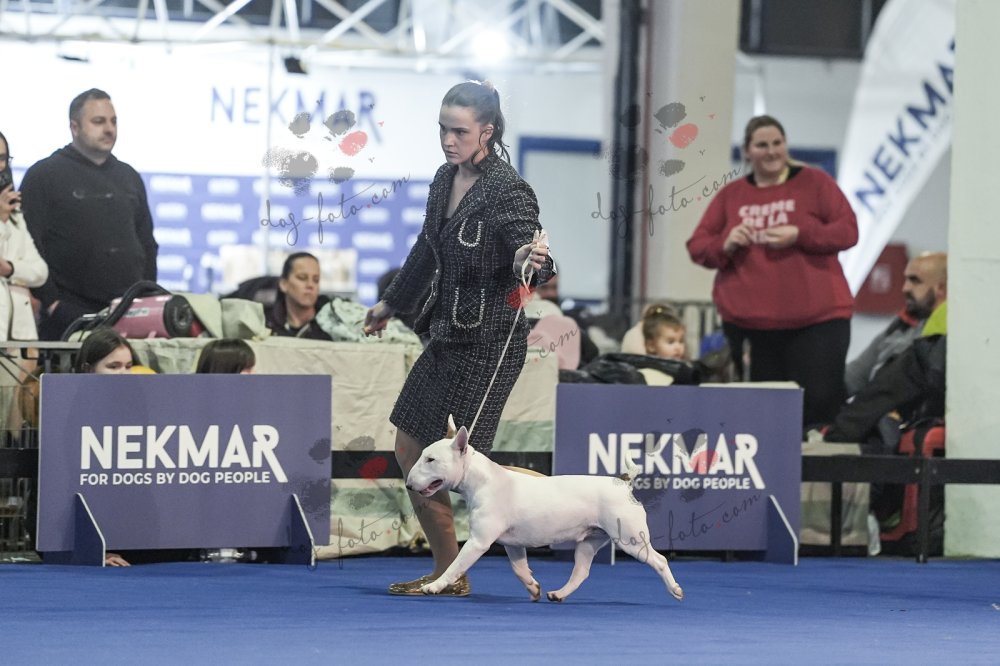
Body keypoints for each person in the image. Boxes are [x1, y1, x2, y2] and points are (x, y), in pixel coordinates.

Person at [363, 80, 554, 597]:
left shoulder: (508, 189)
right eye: (443, 129)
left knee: (465, 465)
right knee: (410, 447)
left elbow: (534, 255)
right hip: (445, 336)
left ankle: (568, 510)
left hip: (491, 345)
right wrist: (391, 304)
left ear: (487, 131)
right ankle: (449, 571)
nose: (449, 140)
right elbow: (425, 251)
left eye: (460, 132)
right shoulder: (443, 179)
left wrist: (526, 259)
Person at [686, 114, 858, 427]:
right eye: (762, 145)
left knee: (819, 401)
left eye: (777, 143)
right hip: (751, 326)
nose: (771, 151)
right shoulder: (732, 195)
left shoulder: (815, 182)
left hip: (817, 320)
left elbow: (848, 232)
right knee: (761, 413)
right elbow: (697, 246)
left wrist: (801, 233)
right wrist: (727, 242)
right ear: (747, 151)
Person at [20, 88, 158, 341]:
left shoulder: (129, 177)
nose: (109, 129)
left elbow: (147, 243)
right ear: (74, 127)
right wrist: (52, 303)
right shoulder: (43, 176)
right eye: (98, 121)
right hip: (68, 314)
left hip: (129, 311)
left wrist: (148, 299)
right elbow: (28, 245)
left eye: (113, 121)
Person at [845, 252, 946, 397]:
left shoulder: (944, 335)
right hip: (871, 405)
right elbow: (856, 375)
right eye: (906, 280)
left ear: (941, 288)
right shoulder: (902, 323)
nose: (905, 288)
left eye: (915, 281)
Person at [0, 131, 49, 342]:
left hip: (19, 337)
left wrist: (10, 269)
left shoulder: (14, 212)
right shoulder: (5, 214)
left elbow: (40, 271)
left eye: (3, 158)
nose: (0, 166)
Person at [265, 252, 332, 340]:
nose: (310, 285)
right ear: (283, 284)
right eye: (302, 278)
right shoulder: (265, 325)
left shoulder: (334, 325)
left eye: (316, 280)